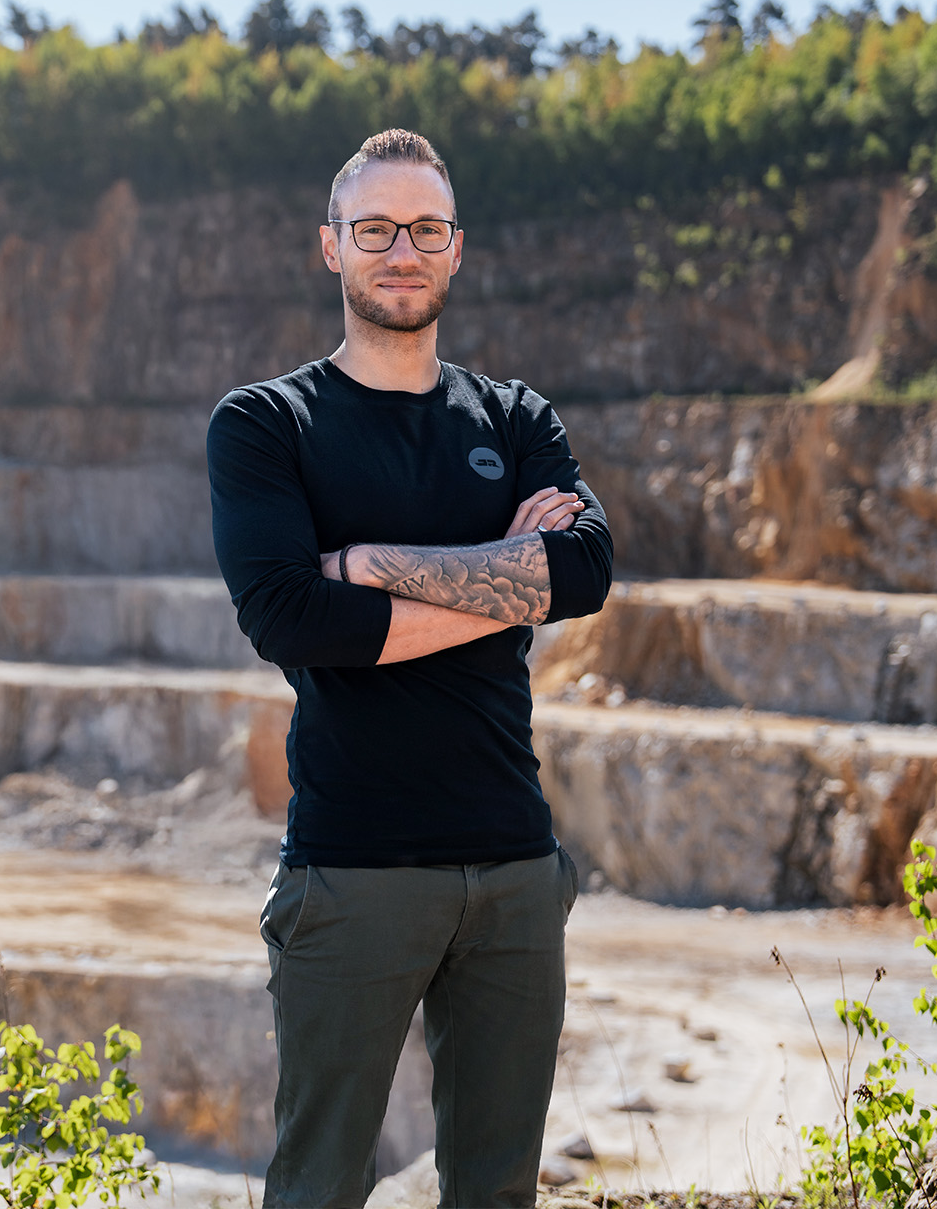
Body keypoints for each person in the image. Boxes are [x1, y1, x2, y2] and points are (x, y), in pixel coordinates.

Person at [206, 128, 614, 1208]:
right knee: (319, 1187)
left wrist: (368, 566)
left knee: (498, 1192)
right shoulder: (267, 423)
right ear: (330, 246)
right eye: (376, 228)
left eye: (426, 229)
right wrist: (504, 581)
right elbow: (291, 615)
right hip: (354, 871)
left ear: (456, 248)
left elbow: (583, 570)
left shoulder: (516, 417)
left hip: (515, 867)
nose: (402, 250)